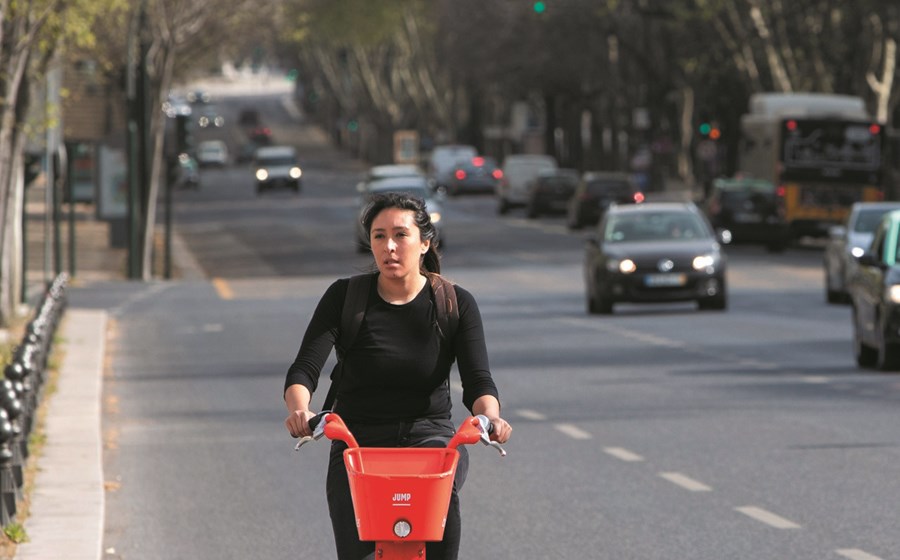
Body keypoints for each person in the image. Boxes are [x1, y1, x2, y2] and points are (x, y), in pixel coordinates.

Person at [283, 191, 512, 560]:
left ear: (424, 243)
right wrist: (301, 411)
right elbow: (304, 370)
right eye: (379, 236)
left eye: (401, 235)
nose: (389, 246)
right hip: (357, 444)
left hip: (431, 442)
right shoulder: (345, 298)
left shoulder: (455, 303)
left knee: (442, 509)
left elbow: (479, 383)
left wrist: (492, 417)